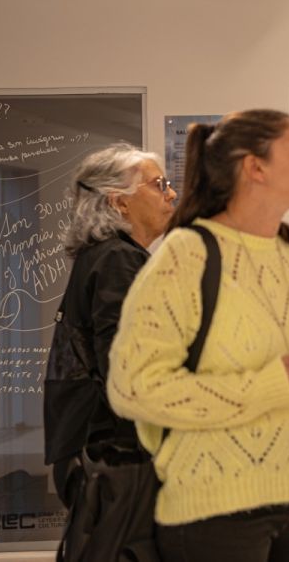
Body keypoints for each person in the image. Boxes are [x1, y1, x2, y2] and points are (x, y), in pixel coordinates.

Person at [106, 109, 289, 562]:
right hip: (211, 505)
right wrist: (272, 387)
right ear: (254, 167)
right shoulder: (186, 255)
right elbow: (133, 387)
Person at [44, 144, 177, 507]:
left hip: (103, 451)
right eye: (159, 184)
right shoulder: (117, 260)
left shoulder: (108, 256)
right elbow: (128, 371)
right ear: (119, 203)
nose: (172, 193)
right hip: (113, 457)